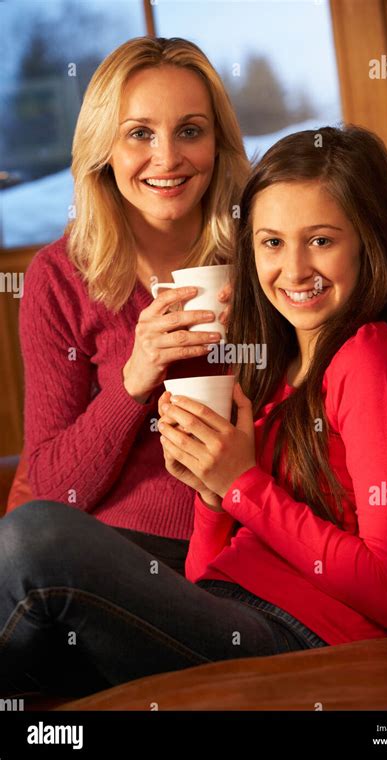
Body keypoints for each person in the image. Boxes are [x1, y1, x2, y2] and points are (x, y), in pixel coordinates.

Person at [0, 126, 387, 701]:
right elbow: (202, 573)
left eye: (320, 240)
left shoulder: (368, 358)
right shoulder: (277, 368)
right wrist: (209, 494)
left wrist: (243, 484)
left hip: (301, 634)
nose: (293, 270)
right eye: (271, 243)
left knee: (36, 537)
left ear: (367, 241)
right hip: (225, 605)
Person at [17, 36, 249, 575]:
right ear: (105, 148)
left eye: (190, 131)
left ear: (217, 142)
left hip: (243, 544)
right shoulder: (59, 277)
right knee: (26, 545)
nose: (167, 158)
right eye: (139, 134)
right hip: (110, 553)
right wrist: (133, 379)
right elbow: (54, 488)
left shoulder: (267, 250)